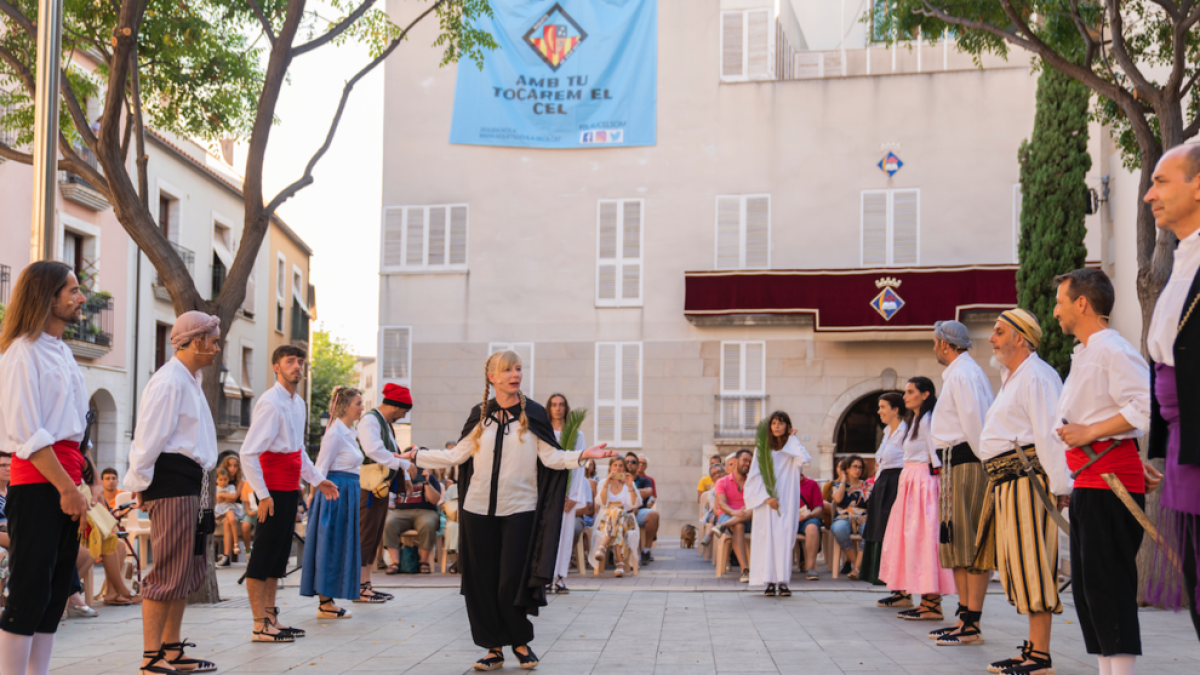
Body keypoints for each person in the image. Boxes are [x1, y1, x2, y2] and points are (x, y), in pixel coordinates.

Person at [400, 349, 614, 670]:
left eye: (518, 369)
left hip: (520, 510)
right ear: (492, 377)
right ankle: (493, 648)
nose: (515, 375)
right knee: (481, 580)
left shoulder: (534, 414)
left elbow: (551, 458)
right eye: (508, 370)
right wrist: (418, 455)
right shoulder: (480, 414)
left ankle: (520, 642)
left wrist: (583, 454)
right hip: (477, 510)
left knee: (511, 579)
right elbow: (457, 456)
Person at [1052, 269, 1154, 674]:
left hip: (1108, 484)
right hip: (1092, 483)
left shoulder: (1111, 348)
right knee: (1091, 591)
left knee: (1108, 590)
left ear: (1082, 303)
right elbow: (1116, 415)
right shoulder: (1087, 352)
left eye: (1060, 301)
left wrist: (1093, 432)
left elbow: (1145, 406)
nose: (1055, 311)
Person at [0, 261, 95, 675]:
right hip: (41, 483)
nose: (81, 298)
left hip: (64, 478)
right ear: (46, 296)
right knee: (28, 589)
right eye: (72, 291)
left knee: (55, 590)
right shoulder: (22, 351)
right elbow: (28, 431)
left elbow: (70, 426)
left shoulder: (63, 352)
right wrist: (67, 487)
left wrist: (80, 478)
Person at [123, 310, 223, 674]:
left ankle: (171, 649)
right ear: (197, 341)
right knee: (168, 571)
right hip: (173, 484)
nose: (216, 348)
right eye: (213, 342)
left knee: (186, 570)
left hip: (193, 484)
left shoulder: (188, 380)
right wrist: (139, 485)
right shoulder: (169, 382)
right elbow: (148, 439)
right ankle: (152, 658)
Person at [977, 309, 1069, 675]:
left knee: (1033, 563)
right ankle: (1032, 647)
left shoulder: (1037, 376)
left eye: (998, 332)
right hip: (1008, 483)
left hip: (1027, 482)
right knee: (1018, 564)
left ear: (1020, 338)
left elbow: (1050, 433)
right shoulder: (1013, 377)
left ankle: (1040, 656)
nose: (991, 338)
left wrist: (1061, 486)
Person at [241, 345, 339, 643]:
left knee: (279, 558)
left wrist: (318, 480)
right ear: (276, 367)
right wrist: (263, 494)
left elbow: (298, 453)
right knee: (262, 556)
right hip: (271, 488)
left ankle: (271, 618)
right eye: (289, 361)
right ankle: (259, 625)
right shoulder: (271, 402)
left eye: (300, 361)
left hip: (288, 489)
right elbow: (248, 453)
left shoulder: (298, 404)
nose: (296, 366)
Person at [1143, 143, 1200, 640]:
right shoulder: (1182, 261)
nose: (1148, 195)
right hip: (1184, 446)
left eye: (1161, 181)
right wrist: (1158, 450)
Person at [928, 319, 995, 647]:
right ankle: (964, 617)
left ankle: (972, 623)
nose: (934, 347)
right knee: (955, 542)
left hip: (969, 462)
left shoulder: (965, 373)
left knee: (969, 542)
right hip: (957, 463)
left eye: (935, 341)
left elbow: (976, 422)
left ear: (944, 343)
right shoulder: (962, 372)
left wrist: (987, 466)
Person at [879, 377, 956, 622]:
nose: (905, 396)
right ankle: (925, 600)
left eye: (910, 391)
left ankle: (932, 602)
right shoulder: (916, 420)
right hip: (912, 483)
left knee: (924, 539)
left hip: (923, 484)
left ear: (925, 394)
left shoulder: (927, 419)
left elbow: (936, 454)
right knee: (913, 540)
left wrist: (945, 489)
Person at [301, 387, 367, 619]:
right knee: (330, 543)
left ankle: (330, 600)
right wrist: (315, 496)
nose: (362, 407)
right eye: (358, 403)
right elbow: (320, 468)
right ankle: (325, 603)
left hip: (346, 491)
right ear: (345, 406)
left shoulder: (348, 432)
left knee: (341, 543)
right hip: (335, 493)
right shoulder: (335, 433)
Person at [746, 411, 812, 596]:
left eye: (780, 423)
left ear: (787, 426)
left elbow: (805, 458)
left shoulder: (791, 448)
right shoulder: (763, 448)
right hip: (767, 502)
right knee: (767, 540)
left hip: (786, 500)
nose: (776, 426)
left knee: (784, 539)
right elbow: (754, 477)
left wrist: (793, 439)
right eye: (773, 423)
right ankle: (768, 582)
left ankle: (782, 582)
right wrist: (767, 497)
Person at [356, 383, 412, 601]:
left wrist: (404, 477)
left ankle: (366, 584)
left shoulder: (385, 424)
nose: (403, 415)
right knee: (366, 535)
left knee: (374, 535)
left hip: (379, 488)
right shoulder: (370, 420)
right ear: (396, 407)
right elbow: (374, 450)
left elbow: (394, 451)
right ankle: (359, 587)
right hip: (367, 488)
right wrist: (405, 467)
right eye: (404, 411)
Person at [863, 393, 909, 593]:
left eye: (882, 406)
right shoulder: (887, 431)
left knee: (894, 532)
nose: (879, 411)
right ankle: (891, 585)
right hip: (883, 485)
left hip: (897, 483)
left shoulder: (906, 432)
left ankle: (902, 589)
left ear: (895, 409)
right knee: (879, 531)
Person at [547, 393, 590, 593]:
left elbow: (578, 466)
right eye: (554, 404)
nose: (558, 408)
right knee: (547, 535)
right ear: (549, 408)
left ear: (566, 408)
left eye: (561, 404)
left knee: (565, 535)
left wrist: (573, 495)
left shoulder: (577, 436)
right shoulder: (544, 433)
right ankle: (544, 577)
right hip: (547, 493)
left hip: (568, 495)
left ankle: (560, 578)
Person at [383, 465, 442, 574]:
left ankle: (423, 562)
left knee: (427, 524)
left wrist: (426, 482)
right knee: (388, 523)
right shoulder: (400, 477)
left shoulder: (431, 478)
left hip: (426, 511)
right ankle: (395, 562)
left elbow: (434, 500)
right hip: (400, 511)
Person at [593, 457, 640, 578]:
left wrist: (630, 485)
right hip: (606, 519)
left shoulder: (630, 483)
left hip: (626, 518)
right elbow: (601, 502)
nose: (618, 468)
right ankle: (620, 564)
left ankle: (602, 546)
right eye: (615, 465)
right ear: (610, 467)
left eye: (620, 465)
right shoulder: (603, 482)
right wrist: (607, 483)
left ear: (624, 468)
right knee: (617, 517)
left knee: (618, 513)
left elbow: (634, 504)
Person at [712, 450, 753, 582]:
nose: (748, 464)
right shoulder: (722, 482)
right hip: (728, 515)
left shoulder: (752, 482)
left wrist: (743, 510)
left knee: (753, 511)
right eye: (745, 460)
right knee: (739, 526)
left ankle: (722, 527)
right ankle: (744, 569)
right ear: (735, 463)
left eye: (750, 462)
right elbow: (722, 504)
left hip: (748, 515)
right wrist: (733, 512)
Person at [830, 455, 869, 580]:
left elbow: (873, 507)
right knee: (839, 529)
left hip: (862, 518)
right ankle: (860, 568)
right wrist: (842, 481)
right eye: (854, 467)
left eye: (860, 467)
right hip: (843, 517)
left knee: (870, 530)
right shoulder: (837, 484)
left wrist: (867, 516)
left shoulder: (867, 487)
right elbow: (838, 499)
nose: (857, 470)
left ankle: (856, 568)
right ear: (846, 469)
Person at [627, 453, 659, 565]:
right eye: (627, 462)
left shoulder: (647, 480)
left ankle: (646, 551)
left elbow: (649, 493)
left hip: (640, 510)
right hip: (621, 510)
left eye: (633, 462)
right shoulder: (618, 478)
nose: (630, 464)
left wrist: (629, 491)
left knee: (654, 515)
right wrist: (639, 492)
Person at [214, 468, 244, 566]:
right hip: (220, 511)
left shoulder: (232, 486)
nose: (223, 482)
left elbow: (233, 498)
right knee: (229, 515)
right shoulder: (216, 487)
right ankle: (235, 545)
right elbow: (216, 500)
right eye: (221, 479)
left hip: (230, 509)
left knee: (229, 520)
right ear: (217, 480)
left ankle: (228, 554)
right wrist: (225, 498)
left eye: (225, 479)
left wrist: (221, 495)